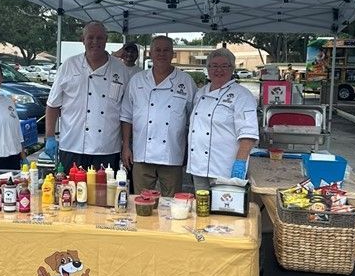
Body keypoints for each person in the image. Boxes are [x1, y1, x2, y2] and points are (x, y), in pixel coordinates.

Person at [44, 21, 130, 172]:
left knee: (104, 194)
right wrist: (49, 137)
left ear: (106, 39)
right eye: (90, 37)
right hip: (72, 145)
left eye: (100, 38)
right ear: (82, 40)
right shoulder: (69, 66)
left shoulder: (120, 69)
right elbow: (52, 105)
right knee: (69, 193)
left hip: (107, 148)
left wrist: (126, 145)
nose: (95, 42)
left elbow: (126, 114)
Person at [121, 36, 196, 197]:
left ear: (173, 54)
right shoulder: (137, 80)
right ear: (150, 53)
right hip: (141, 154)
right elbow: (126, 116)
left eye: (166, 50)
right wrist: (126, 146)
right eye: (158, 50)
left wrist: (189, 151)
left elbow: (194, 120)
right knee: (141, 201)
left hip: (172, 154)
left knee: (173, 204)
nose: (162, 54)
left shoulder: (186, 81)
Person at [187, 48, 259, 190]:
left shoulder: (242, 95)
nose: (218, 70)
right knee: (202, 209)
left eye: (224, 66)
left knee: (224, 210)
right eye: (214, 66)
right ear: (207, 69)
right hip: (198, 167)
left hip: (224, 169)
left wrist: (240, 163)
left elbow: (248, 134)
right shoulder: (200, 93)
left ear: (232, 68)